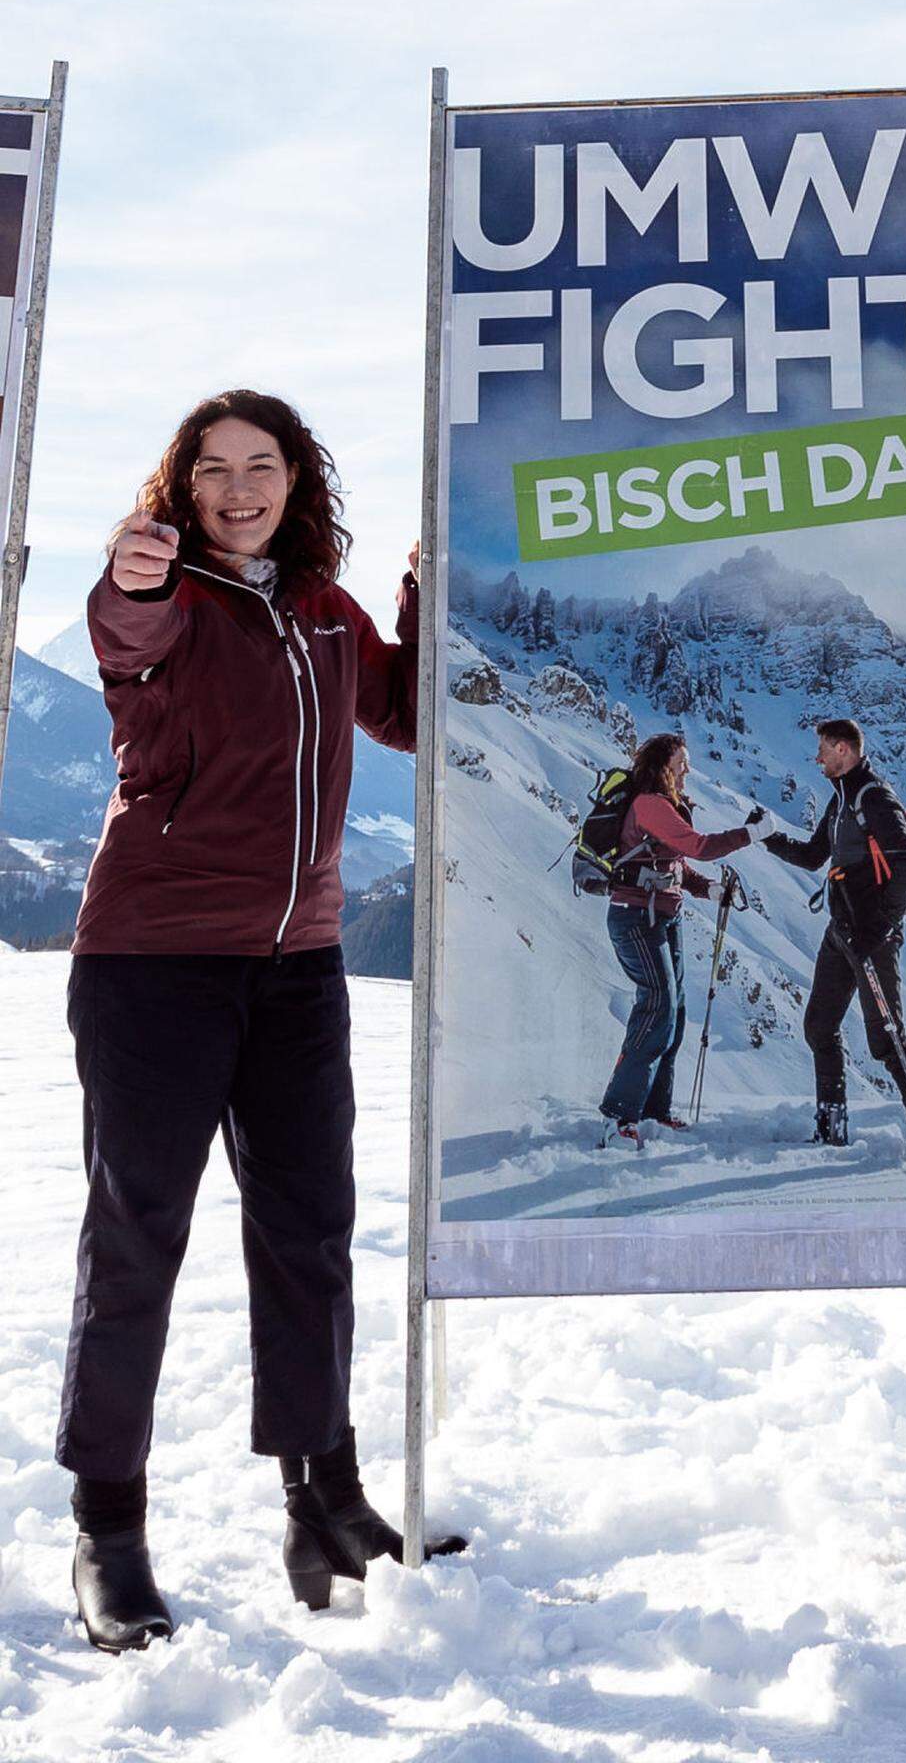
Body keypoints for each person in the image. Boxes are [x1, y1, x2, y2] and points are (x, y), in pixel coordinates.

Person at [59, 389, 461, 1655]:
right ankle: (107, 1530)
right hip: (154, 965)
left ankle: (324, 1500)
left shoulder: (321, 609)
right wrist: (131, 576)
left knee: (311, 1236)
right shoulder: (169, 593)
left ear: (298, 480)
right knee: (138, 1241)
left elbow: (405, 713)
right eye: (215, 470)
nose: (240, 489)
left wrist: (416, 594)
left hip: (298, 965)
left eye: (264, 466)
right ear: (180, 489)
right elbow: (122, 632)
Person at [764, 718, 906, 1158]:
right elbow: (811, 855)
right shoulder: (841, 799)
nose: (817, 757)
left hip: (872, 937)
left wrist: (876, 930)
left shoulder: (874, 798)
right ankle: (832, 1126)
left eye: (823, 748)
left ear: (844, 749)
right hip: (841, 932)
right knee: (819, 1027)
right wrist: (767, 837)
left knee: (887, 1039)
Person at [598, 732, 771, 1140]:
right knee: (657, 1005)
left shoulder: (665, 806)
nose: (688, 769)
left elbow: (673, 864)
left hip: (661, 917)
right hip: (636, 917)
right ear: (663, 767)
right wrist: (751, 834)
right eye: (682, 762)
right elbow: (699, 846)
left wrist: (706, 889)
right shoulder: (649, 804)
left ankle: (654, 1111)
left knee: (672, 1014)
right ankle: (618, 1113)